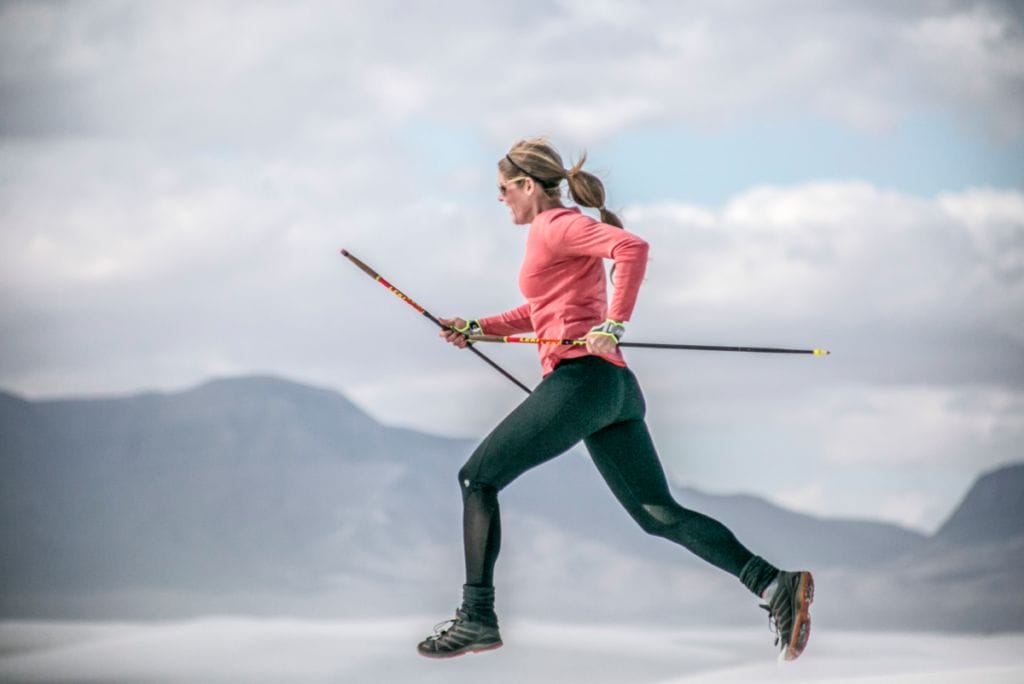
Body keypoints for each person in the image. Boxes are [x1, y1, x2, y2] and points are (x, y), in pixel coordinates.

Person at [416, 138, 813, 661]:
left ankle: (477, 617)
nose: (499, 198)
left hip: (583, 381)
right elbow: (540, 311)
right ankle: (774, 584)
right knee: (658, 514)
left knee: (477, 479)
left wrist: (614, 324)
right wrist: (477, 327)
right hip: (612, 389)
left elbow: (632, 248)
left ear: (527, 185)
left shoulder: (555, 226)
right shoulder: (552, 233)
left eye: (503, 189)